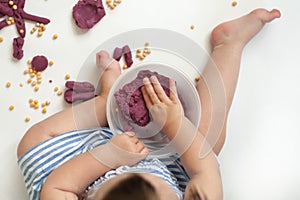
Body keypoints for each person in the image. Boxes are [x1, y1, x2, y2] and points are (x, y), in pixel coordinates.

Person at [17, 8, 281, 200]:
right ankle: (228, 44)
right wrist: (175, 123)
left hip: (78, 168)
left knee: (32, 142)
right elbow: (206, 169)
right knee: (209, 144)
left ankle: (106, 101)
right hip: (166, 165)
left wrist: (108, 158)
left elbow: (58, 188)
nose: (131, 171)